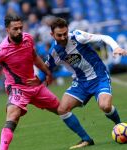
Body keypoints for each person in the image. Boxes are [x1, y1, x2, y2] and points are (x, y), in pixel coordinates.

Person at [0, 13, 93, 150]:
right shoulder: (1, 50)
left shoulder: (28, 39)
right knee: (13, 117)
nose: (19, 31)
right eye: (15, 29)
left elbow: (34, 57)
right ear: (7, 30)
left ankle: (87, 139)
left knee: (61, 109)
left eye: (21, 27)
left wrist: (47, 72)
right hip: (17, 88)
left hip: (35, 85)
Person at [35, 17, 127, 149]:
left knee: (105, 106)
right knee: (62, 109)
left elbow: (104, 37)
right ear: (52, 35)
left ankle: (120, 125)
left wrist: (116, 47)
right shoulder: (54, 52)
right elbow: (45, 70)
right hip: (81, 82)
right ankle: (86, 139)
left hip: (99, 77)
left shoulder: (78, 36)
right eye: (59, 35)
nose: (63, 37)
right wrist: (35, 81)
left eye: (65, 34)